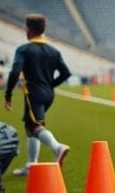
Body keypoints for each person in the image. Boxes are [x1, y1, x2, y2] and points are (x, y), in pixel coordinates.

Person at [4, 14, 72, 176]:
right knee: (32, 126)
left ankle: (57, 147)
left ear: (28, 29)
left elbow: (15, 72)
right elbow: (66, 73)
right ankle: (31, 165)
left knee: (33, 127)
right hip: (49, 94)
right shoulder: (54, 51)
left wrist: (8, 95)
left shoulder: (24, 49)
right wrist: (50, 85)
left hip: (34, 94)